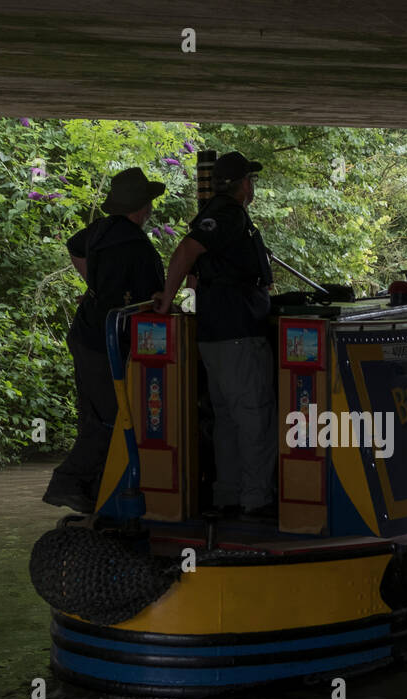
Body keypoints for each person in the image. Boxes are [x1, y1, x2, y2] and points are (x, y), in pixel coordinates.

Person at [154, 151, 277, 519]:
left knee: (227, 417)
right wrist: (167, 299)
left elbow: (199, 270)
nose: (251, 186)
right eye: (250, 180)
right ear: (244, 184)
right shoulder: (227, 214)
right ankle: (256, 499)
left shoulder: (214, 214)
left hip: (214, 332)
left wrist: (186, 300)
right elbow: (187, 251)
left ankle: (227, 494)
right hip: (237, 331)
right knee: (254, 416)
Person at [43, 167, 165, 512]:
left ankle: (95, 490)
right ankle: (69, 483)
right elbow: (154, 300)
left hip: (86, 332)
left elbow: (74, 247)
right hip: (107, 343)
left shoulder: (99, 231)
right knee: (114, 416)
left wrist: (96, 289)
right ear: (142, 209)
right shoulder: (140, 248)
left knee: (93, 413)